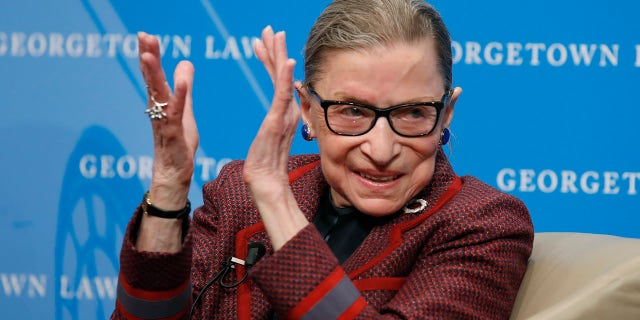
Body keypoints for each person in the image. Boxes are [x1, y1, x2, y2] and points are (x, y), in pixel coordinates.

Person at [111, 0, 534, 319]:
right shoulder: (239, 193)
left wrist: (277, 203)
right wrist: (169, 184)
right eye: (353, 111)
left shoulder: (484, 224)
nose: (381, 150)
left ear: (446, 113)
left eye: (412, 113)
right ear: (308, 109)